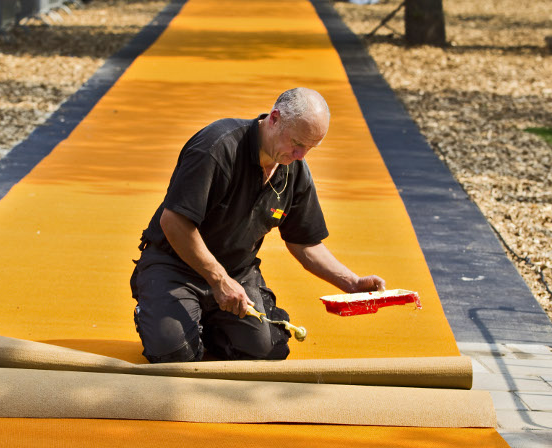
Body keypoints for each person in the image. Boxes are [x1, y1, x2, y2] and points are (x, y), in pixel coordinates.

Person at [130, 87, 386, 363]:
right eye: (296, 143)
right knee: (173, 354)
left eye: (310, 148)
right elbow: (174, 222)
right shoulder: (217, 147)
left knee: (265, 351)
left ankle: (208, 322)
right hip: (175, 264)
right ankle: (155, 313)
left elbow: (304, 242)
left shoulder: (294, 169)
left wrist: (351, 283)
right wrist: (218, 279)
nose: (300, 155)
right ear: (274, 119)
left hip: (237, 272)